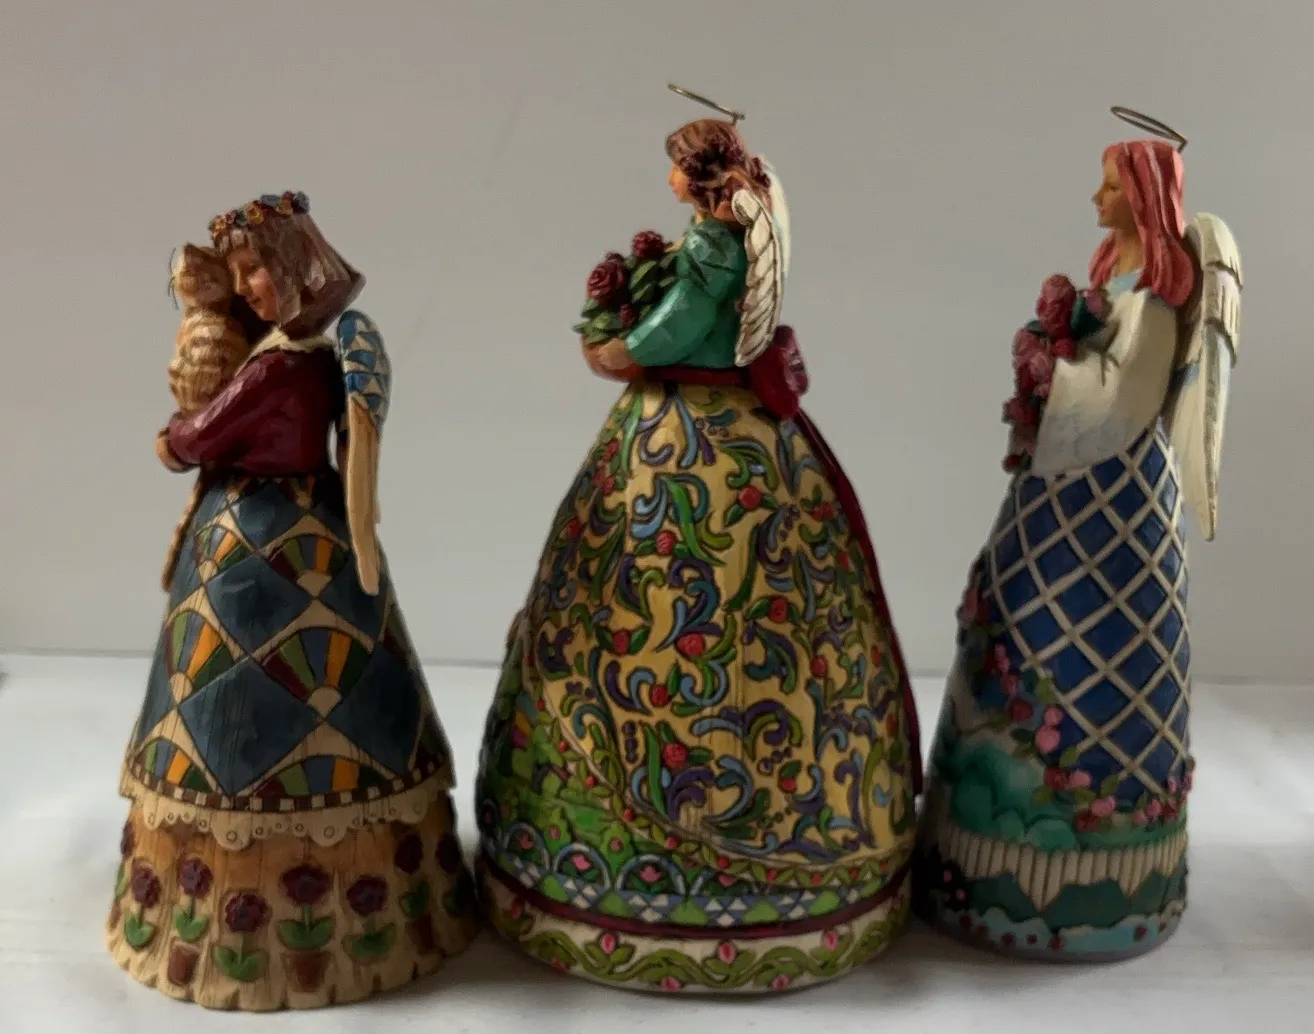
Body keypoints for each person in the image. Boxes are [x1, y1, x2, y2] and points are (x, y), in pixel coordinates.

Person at [475, 95, 922, 994]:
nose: (670, 177)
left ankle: (692, 874)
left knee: (687, 595)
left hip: (684, 434)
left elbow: (669, 332)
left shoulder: (717, 248)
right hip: (715, 428)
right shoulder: (717, 233)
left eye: (677, 164)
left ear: (701, 173)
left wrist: (611, 344)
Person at [107, 193, 476, 1009]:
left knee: (236, 701)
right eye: (238, 275)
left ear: (296, 270)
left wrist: (172, 436)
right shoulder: (292, 353)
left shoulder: (279, 366)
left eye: (257, 272)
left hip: (257, 544)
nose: (248, 288)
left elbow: (199, 438)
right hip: (304, 531)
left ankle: (260, 907)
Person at [913, 116, 1242, 961]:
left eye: (1110, 183)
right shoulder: (1116, 277)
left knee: (1094, 644)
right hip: (1058, 497)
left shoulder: (1157, 299)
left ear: (1143, 196)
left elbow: (1121, 400)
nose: (1095, 196)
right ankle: (969, 863)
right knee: (1020, 616)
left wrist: (1048, 367)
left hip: (1112, 506)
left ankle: (1088, 887)